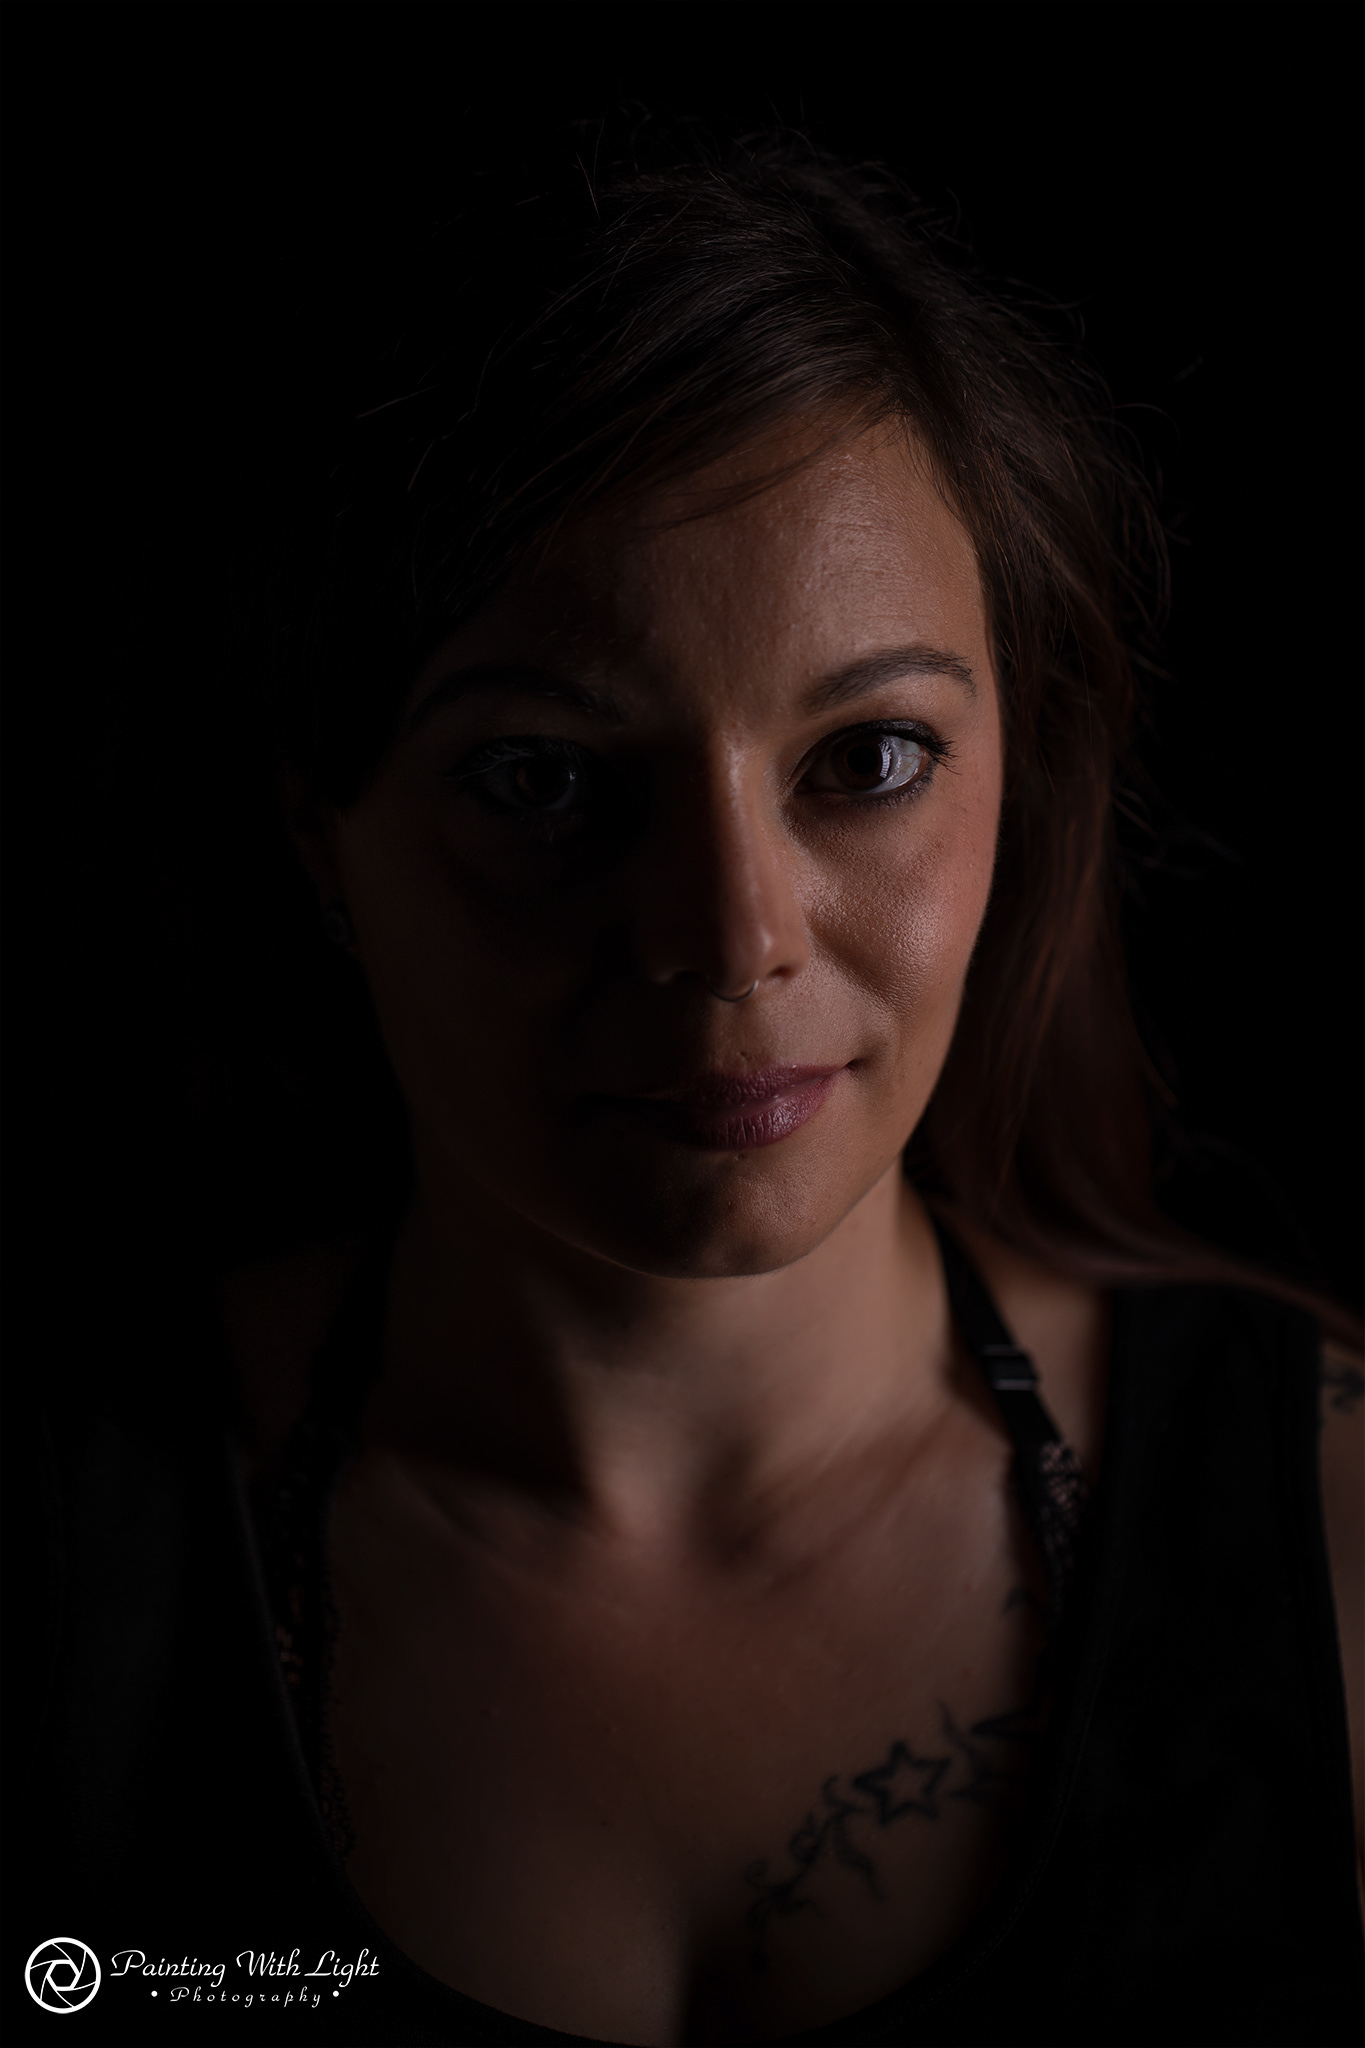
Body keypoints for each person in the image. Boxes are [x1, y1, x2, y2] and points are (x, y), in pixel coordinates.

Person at [10, 130, 1361, 2047]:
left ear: (1022, 766)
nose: (731, 938)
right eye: (546, 780)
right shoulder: (61, 1554)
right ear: (319, 830)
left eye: (867, 759)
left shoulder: (1338, 1543)